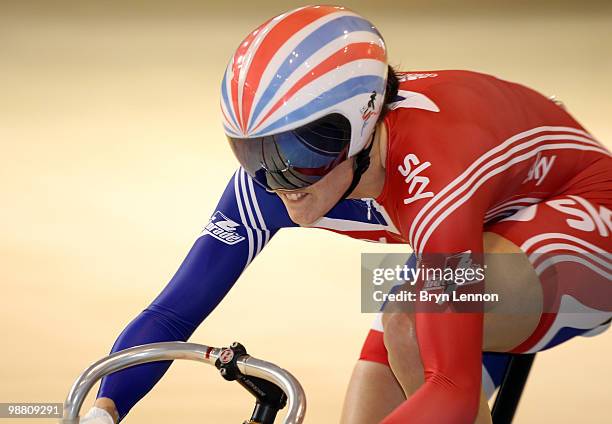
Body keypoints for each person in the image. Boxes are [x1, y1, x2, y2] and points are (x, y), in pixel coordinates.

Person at [82, 5, 612, 423]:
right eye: (255, 153)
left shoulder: (437, 170)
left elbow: (451, 392)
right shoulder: (275, 182)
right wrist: (104, 410)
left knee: (410, 316)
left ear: (359, 126)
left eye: (301, 152)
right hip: (480, 232)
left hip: (582, 210)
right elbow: (172, 315)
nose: (279, 182)